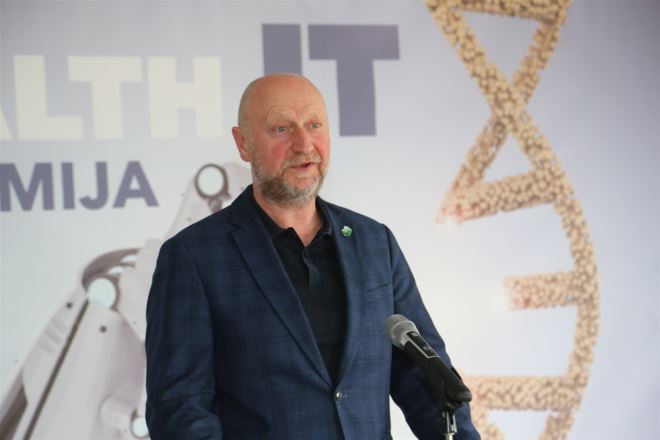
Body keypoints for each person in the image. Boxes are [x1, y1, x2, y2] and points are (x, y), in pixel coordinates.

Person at [145, 74, 480, 439]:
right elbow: (181, 410)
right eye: (282, 128)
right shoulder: (193, 257)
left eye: (314, 125)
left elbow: (427, 381)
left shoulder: (374, 243)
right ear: (243, 144)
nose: (304, 144)